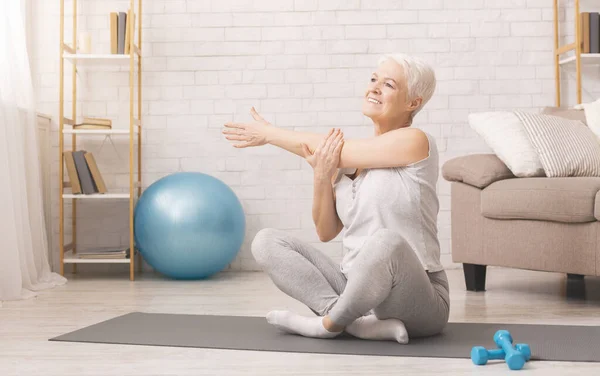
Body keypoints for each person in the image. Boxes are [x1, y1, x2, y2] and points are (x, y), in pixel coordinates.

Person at [222, 54, 449, 344]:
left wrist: (270, 134)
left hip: (417, 297)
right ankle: (353, 322)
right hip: (355, 290)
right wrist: (321, 175)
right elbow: (326, 231)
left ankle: (327, 324)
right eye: (373, 79)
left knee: (385, 241)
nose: (375, 88)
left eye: (388, 84)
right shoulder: (345, 159)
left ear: (412, 103)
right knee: (266, 241)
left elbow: (337, 151)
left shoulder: (416, 141)